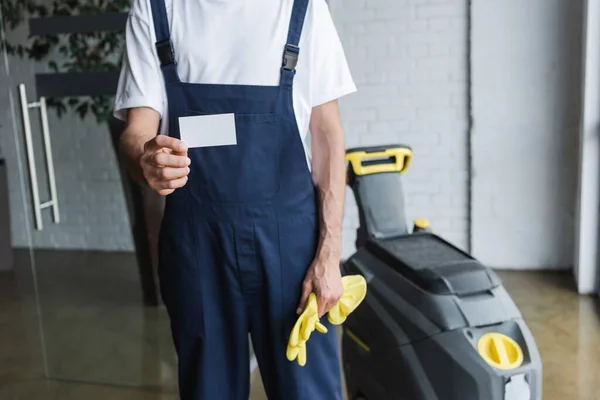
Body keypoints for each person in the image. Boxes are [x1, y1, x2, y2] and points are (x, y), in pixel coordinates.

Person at [114, 0, 356, 398]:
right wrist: (147, 159)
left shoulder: (303, 8)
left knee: (308, 390)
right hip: (197, 249)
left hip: (293, 249)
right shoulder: (156, 9)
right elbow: (137, 129)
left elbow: (327, 135)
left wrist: (329, 255)